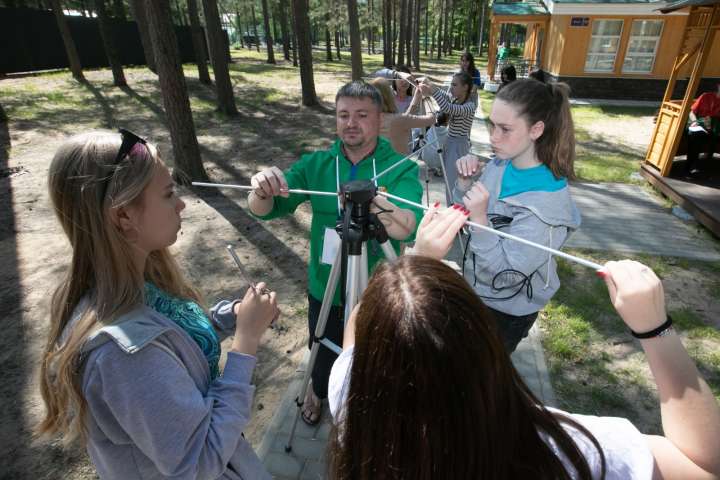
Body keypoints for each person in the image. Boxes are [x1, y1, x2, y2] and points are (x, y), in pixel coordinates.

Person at [327, 238, 720, 478]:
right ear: (487, 346)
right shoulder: (573, 450)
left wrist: (414, 264)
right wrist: (654, 328)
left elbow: (354, 336)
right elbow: (706, 468)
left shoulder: (351, 397)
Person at [38, 130, 279, 479]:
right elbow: (199, 463)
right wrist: (246, 345)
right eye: (168, 194)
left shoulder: (136, 283)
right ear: (124, 217)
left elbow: (175, 342)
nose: (181, 204)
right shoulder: (123, 357)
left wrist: (234, 318)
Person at [248, 81, 424, 426]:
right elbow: (265, 208)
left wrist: (372, 201)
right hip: (325, 287)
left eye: (362, 115)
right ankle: (318, 390)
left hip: (379, 290)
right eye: (343, 115)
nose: (351, 123)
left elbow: (409, 226)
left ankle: (365, 406)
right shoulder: (318, 164)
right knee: (323, 348)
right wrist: (262, 186)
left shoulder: (400, 168)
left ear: (380, 120)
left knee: (376, 356)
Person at [452, 78, 580, 353]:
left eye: (505, 129)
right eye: (492, 125)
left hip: (506, 312)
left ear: (536, 130)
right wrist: (464, 185)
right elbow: (461, 217)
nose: (493, 137)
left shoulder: (546, 208)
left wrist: (481, 221)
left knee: (478, 383)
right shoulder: (501, 164)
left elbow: (506, 277)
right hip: (476, 292)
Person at [418, 71, 477, 204]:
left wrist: (432, 88)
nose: (451, 88)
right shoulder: (456, 99)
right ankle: (453, 207)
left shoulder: (469, 106)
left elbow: (447, 107)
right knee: (449, 180)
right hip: (450, 143)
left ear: (465, 87)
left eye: (455, 85)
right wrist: (431, 89)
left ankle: (456, 209)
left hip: (459, 146)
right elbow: (445, 97)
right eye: (451, 84)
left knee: (454, 181)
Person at [369, 77, 435, 155]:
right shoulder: (397, 119)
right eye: (389, 89)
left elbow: (405, 119)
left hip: (378, 164)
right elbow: (431, 119)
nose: (392, 90)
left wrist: (416, 98)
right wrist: (427, 98)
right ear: (387, 96)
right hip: (399, 165)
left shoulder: (369, 118)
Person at [686, 83, 720, 176]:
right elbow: (692, 112)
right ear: (718, 86)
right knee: (694, 135)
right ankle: (692, 166)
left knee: (714, 134)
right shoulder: (705, 96)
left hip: (716, 125)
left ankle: (708, 162)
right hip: (700, 122)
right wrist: (694, 121)